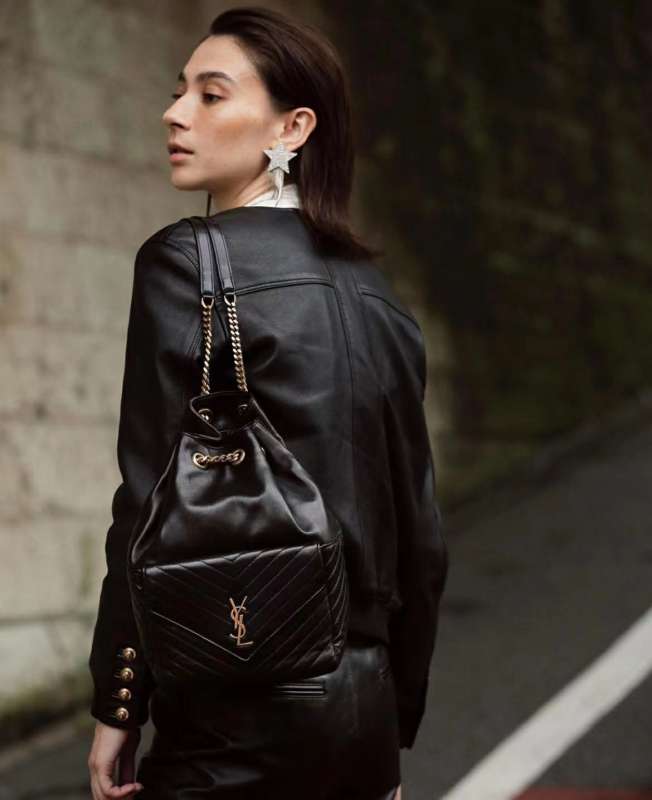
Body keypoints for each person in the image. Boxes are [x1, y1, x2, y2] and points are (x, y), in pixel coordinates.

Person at [86, 7, 449, 800]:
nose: (175, 113)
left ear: (293, 127)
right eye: (179, 90)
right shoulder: (380, 299)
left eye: (211, 95)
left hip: (232, 707)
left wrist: (119, 699)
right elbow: (420, 537)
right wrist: (389, 722)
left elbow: (148, 505)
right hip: (361, 716)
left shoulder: (185, 263)